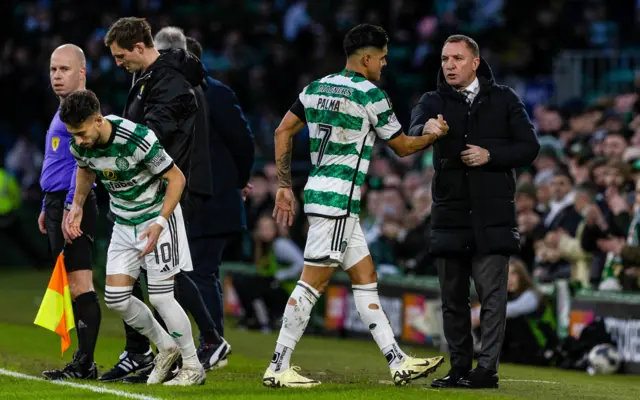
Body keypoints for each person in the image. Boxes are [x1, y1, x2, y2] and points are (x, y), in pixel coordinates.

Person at [263, 23, 444, 389]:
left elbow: (283, 130)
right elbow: (404, 147)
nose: (385, 64)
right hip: (339, 199)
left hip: (321, 191)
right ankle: (278, 365)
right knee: (312, 283)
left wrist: (285, 185)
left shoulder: (316, 87)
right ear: (366, 57)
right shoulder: (369, 94)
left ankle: (397, 361)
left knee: (366, 280)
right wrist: (433, 135)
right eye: (382, 57)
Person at [408, 34, 540, 389]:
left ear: (475, 62)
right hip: (450, 217)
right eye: (444, 59)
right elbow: (414, 127)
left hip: (492, 218)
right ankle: (459, 368)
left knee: (492, 299)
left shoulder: (504, 99)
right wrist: (427, 129)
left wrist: (490, 155)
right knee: (453, 300)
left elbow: (530, 146)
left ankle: (487, 370)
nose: (449, 65)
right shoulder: (433, 100)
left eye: (457, 58)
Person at [100, 17, 225, 382]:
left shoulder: (168, 83)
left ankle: (192, 360)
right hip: (139, 198)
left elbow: (152, 138)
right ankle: (162, 352)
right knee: (126, 293)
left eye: (122, 56)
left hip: (159, 198)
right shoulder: (150, 78)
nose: (118, 63)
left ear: (140, 47)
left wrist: (115, 147)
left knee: (163, 294)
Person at [61, 90, 206, 386]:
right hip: (125, 223)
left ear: (98, 120)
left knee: (161, 298)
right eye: (73, 134)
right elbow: (85, 170)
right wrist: (76, 204)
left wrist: (161, 221)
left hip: (157, 219)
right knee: (116, 298)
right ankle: (166, 347)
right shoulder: (81, 145)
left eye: (82, 132)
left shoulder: (135, 138)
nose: (78, 140)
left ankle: (192, 366)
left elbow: (176, 178)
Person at [183, 35, 255, 367]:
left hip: (214, 200)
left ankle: (211, 342)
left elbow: (244, 142)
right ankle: (210, 341)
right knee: (197, 271)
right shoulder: (180, 95)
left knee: (201, 269)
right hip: (192, 199)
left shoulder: (217, 94)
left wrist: (237, 182)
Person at [38, 44, 102, 381]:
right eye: (53, 70)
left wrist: (69, 207)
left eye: (64, 70)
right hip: (56, 202)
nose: (57, 76)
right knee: (72, 285)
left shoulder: (81, 112)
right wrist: (44, 204)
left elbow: (85, 165)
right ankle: (83, 361)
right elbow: (57, 161)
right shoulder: (64, 109)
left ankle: (85, 364)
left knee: (80, 285)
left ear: (82, 72)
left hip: (72, 205)